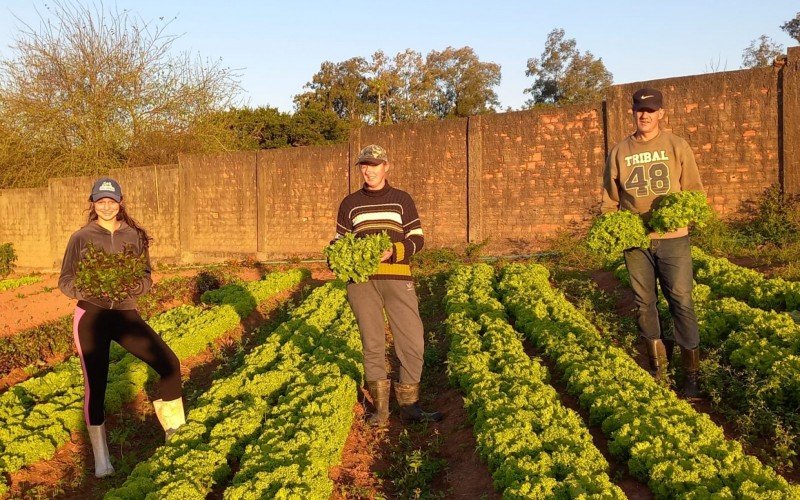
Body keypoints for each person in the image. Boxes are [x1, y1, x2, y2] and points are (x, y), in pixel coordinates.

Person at [58, 177, 185, 478]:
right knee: (96, 385)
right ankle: (102, 459)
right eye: (100, 201)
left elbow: (146, 276)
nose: (105, 205)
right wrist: (91, 289)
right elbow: (65, 280)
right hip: (91, 316)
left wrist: (132, 288)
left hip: (126, 314)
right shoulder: (80, 237)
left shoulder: (135, 235)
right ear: (93, 203)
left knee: (170, 364)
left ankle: (175, 432)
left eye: (111, 200)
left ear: (120, 202)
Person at [601, 88, 704, 397]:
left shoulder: (677, 145)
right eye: (638, 109)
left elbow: (694, 192)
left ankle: (692, 377)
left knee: (681, 300)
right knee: (644, 304)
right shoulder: (619, 151)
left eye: (650, 109)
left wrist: (680, 216)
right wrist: (613, 225)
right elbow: (610, 201)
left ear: (661, 113)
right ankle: (659, 372)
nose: (643, 114)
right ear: (632, 112)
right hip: (635, 243)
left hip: (673, 238)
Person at [333, 144, 442, 426]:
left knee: (412, 341)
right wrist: (335, 256)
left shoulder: (401, 200)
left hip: (397, 278)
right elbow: (339, 242)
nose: (368, 170)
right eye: (364, 165)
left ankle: (410, 407)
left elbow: (418, 239)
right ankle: (380, 412)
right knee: (372, 343)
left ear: (386, 167)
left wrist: (393, 251)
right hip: (361, 282)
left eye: (374, 164)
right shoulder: (349, 204)